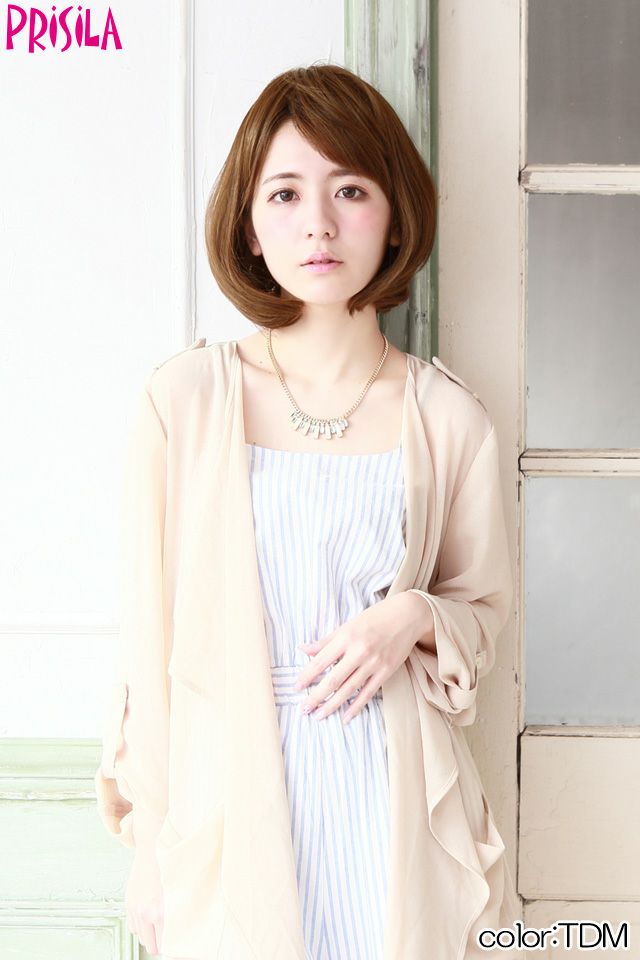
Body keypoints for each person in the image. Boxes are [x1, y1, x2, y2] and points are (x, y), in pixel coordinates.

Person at [95, 62, 517, 960]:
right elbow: (149, 645)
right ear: (249, 227)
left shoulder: (447, 417)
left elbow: (480, 613)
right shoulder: (185, 400)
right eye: (285, 193)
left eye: (350, 189)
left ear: (394, 214)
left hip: (392, 797)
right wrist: (153, 849)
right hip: (229, 798)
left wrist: (412, 616)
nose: (318, 223)